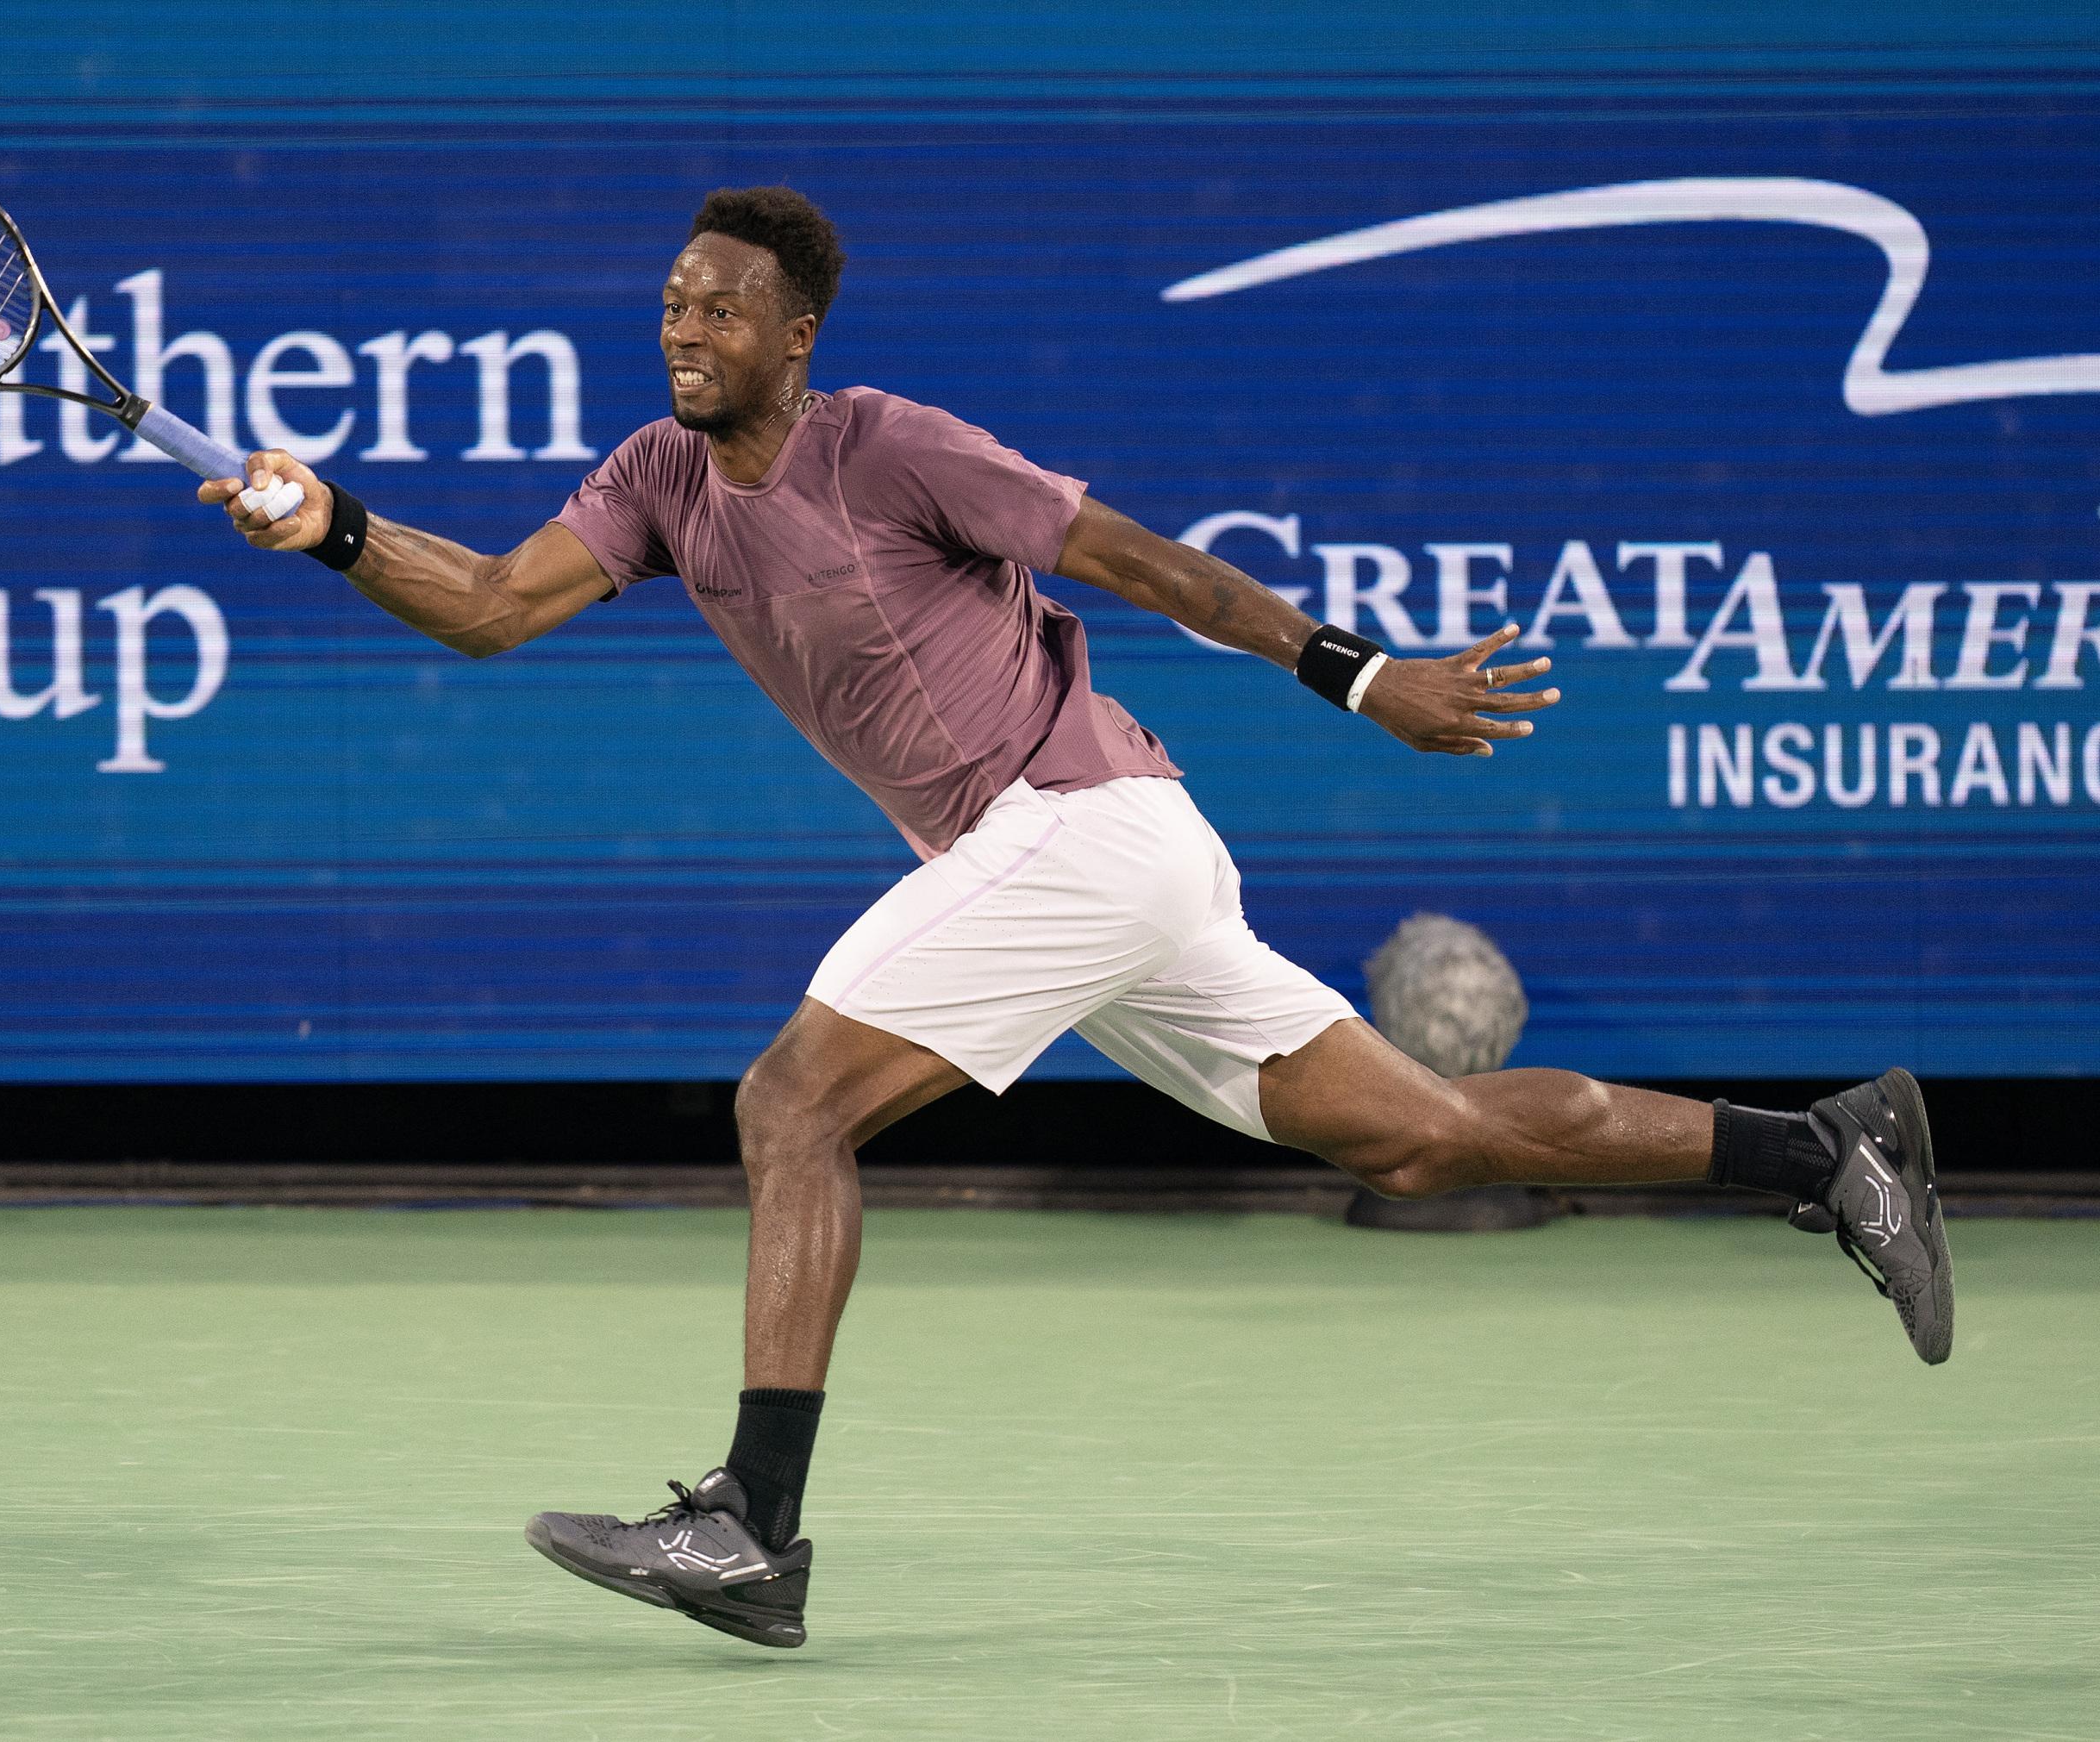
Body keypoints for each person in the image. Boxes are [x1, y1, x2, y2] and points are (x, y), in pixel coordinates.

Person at [201, 186, 1953, 1650]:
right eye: (675, 304)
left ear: (796, 337)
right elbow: (497, 605)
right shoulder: (659, 481)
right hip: (1085, 871)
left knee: (787, 1104)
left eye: (724, 312)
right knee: (1421, 1144)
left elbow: (1139, 562)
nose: (688, 331)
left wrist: (1359, 678)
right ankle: (1828, 1155)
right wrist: (336, 526)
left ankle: (754, 1526)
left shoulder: (891, 448)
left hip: (1086, 833)